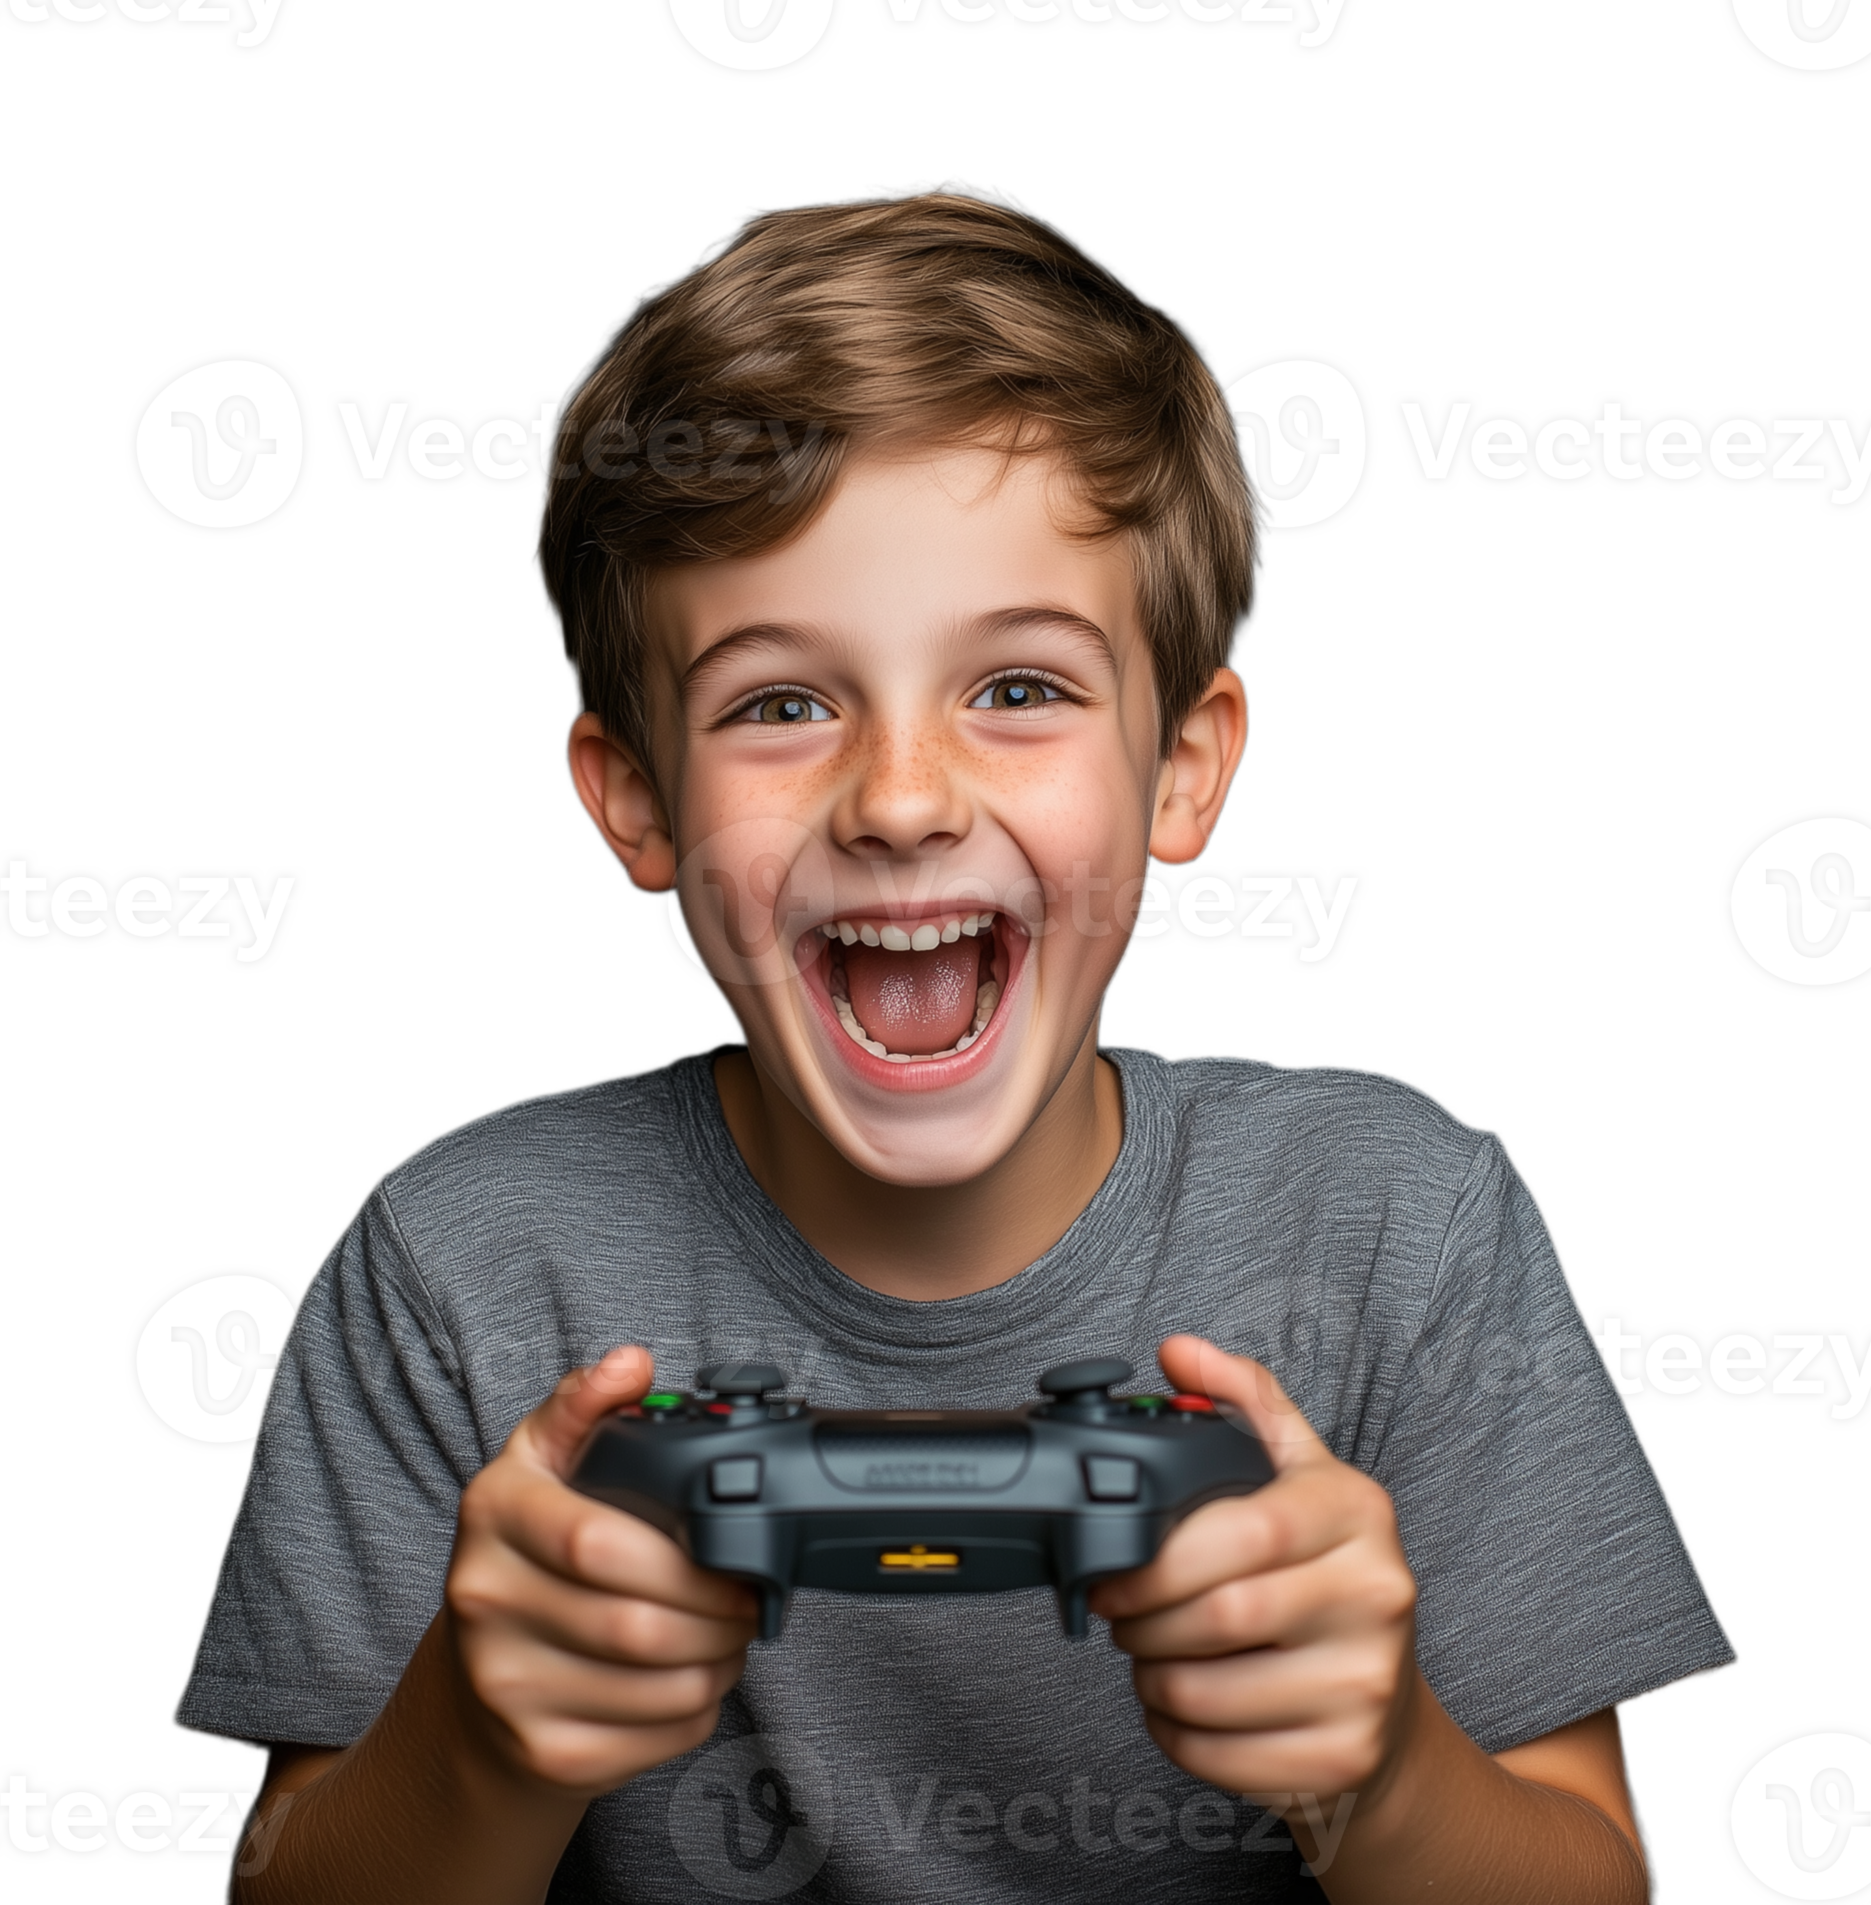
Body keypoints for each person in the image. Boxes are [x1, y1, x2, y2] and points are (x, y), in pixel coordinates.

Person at [176, 183, 1730, 1904]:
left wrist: (1384, 1770)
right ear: (634, 799)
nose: (903, 799)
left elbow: (1592, 1882)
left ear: (1182, 772)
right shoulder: (463, 1266)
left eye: (1020, 688)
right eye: (782, 703)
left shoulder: (1396, 1223)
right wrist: (474, 1738)